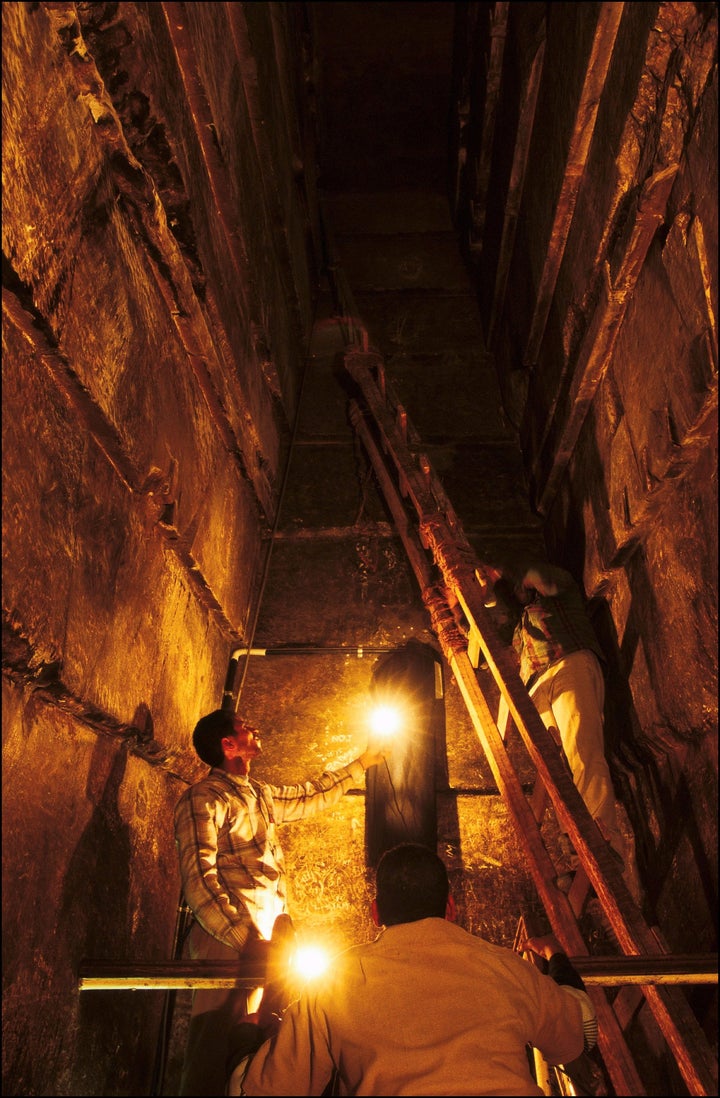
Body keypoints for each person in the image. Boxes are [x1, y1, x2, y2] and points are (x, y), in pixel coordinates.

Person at [230, 842, 597, 1096]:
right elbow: (581, 1030)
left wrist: (248, 1039)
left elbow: (263, 1089)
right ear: (450, 907)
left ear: (376, 914)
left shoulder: (335, 984)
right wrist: (557, 959)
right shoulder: (506, 968)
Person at [174, 708, 388, 1096]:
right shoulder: (204, 797)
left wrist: (363, 762)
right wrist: (244, 939)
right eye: (243, 726)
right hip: (227, 939)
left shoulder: (259, 794)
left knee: (260, 1041)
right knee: (214, 1045)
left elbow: (310, 797)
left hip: (265, 943)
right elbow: (198, 879)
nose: (253, 727)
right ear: (228, 744)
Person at [492, 559, 636, 894]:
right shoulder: (517, 630)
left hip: (569, 663)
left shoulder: (560, 592)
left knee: (582, 750)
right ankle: (577, 855)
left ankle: (606, 843)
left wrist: (506, 571)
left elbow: (540, 577)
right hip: (539, 685)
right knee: (557, 772)